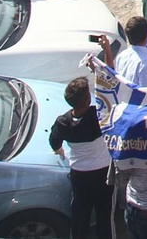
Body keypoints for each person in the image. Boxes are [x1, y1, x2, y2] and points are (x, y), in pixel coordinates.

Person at [49, 74, 112, 239]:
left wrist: (60, 151)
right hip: (103, 174)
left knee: (80, 214)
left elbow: (55, 143)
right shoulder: (99, 116)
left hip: (79, 175)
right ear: (88, 99)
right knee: (104, 215)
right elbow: (109, 92)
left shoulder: (62, 122)